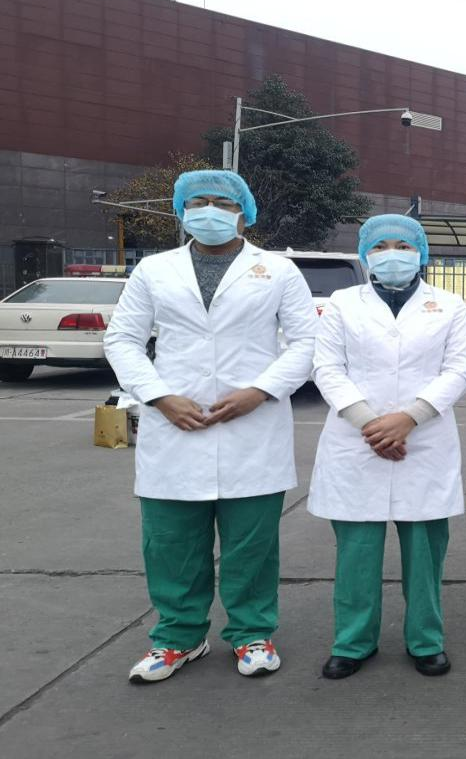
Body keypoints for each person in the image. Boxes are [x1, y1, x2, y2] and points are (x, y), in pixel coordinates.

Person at [104, 170, 318, 683]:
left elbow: (307, 342)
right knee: (171, 543)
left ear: (244, 212)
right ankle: (178, 638)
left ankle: (252, 633)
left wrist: (259, 391)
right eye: (198, 201)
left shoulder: (278, 270)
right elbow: (122, 339)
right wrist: (159, 397)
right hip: (174, 424)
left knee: (251, 545)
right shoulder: (154, 270)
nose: (210, 211)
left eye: (223, 202)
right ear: (181, 210)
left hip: (252, 425)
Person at [307, 214, 466, 680]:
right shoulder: (343, 303)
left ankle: (426, 640)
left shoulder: (449, 305)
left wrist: (409, 418)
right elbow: (327, 367)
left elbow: (459, 369)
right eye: (381, 246)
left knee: (425, 554)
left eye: (403, 245)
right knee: (356, 553)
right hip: (357, 438)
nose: (392, 254)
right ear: (366, 254)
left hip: (424, 438)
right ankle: (352, 641)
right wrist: (370, 423)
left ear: (421, 252)